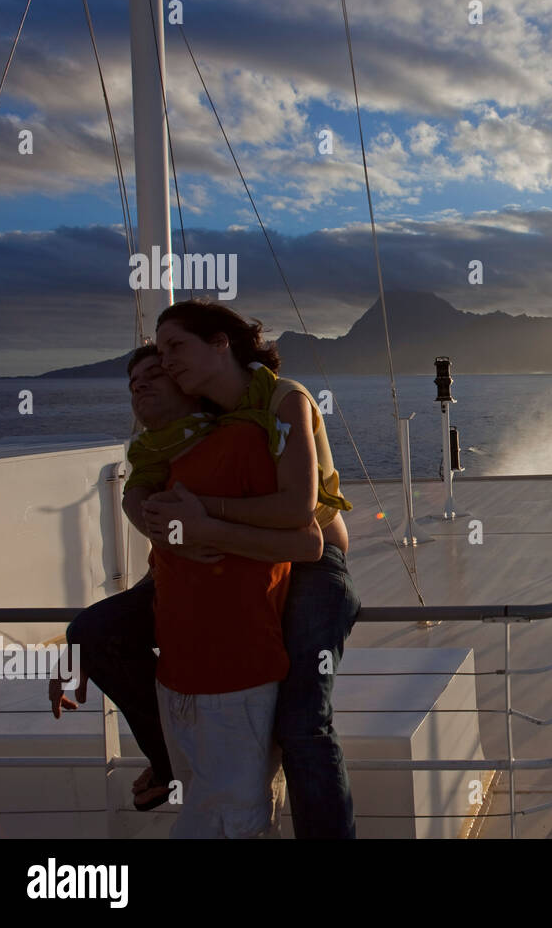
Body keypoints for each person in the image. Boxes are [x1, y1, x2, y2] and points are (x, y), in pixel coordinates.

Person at [53, 344, 323, 834]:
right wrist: (78, 650)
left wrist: (208, 528)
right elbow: (145, 513)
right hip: (179, 683)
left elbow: (307, 539)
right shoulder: (157, 455)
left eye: (156, 373)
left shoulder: (242, 440)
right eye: (133, 383)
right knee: (92, 631)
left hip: (236, 677)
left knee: (228, 819)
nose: (140, 387)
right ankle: (162, 763)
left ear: (188, 380)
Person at [140, 300, 361, 839]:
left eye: (176, 346)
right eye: (160, 350)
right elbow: (146, 476)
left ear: (221, 344)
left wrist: (202, 516)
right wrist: (159, 524)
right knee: (101, 632)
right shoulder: (206, 415)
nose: (166, 361)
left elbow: (295, 511)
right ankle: (166, 755)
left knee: (303, 724)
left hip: (314, 566)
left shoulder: (285, 400)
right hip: (237, 556)